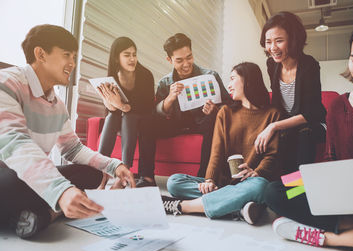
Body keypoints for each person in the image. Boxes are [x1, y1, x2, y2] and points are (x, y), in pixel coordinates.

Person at [264, 16, 353, 251]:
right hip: (346, 195)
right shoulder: (340, 106)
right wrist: (316, 181)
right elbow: (330, 159)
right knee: (275, 189)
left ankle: (328, 237)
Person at [0, 24, 135, 239]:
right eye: (66, 55)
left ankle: (39, 211)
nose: (72, 63)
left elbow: (72, 148)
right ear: (40, 54)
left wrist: (113, 165)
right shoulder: (6, 83)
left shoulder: (57, 105)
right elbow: (14, 143)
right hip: (6, 177)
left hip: (28, 179)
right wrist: (60, 190)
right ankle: (51, 211)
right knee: (13, 181)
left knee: (91, 174)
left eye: (74, 56)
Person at [162, 62, 281, 225]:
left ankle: (183, 206)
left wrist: (256, 172)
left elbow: (272, 155)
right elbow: (216, 152)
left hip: (251, 181)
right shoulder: (225, 112)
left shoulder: (272, 115)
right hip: (222, 182)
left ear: (247, 81)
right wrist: (209, 180)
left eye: (233, 79)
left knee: (261, 186)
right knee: (174, 182)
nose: (229, 85)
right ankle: (239, 207)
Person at [255, 11, 326, 174]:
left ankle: (298, 190)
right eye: (268, 42)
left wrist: (274, 126)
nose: (273, 48)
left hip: (313, 124)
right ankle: (281, 188)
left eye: (279, 41)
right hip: (288, 125)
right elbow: (276, 104)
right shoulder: (272, 65)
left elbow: (310, 114)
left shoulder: (309, 65)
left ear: (293, 40)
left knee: (302, 133)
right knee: (282, 136)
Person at [155, 33, 232, 177]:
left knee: (213, 120)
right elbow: (157, 114)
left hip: (202, 123)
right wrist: (169, 99)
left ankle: (203, 176)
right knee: (148, 124)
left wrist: (215, 109)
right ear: (169, 60)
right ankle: (145, 176)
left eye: (189, 57)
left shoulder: (210, 75)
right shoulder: (164, 83)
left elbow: (229, 105)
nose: (186, 64)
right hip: (176, 125)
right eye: (179, 60)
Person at [97, 37, 156, 187]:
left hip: (143, 119)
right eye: (127, 55)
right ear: (117, 58)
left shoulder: (146, 75)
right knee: (110, 118)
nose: (132, 59)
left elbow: (147, 106)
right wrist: (109, 102)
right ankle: (100, 174)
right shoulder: (112, 77)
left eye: (134, 54)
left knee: (129, 116)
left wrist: (123, 106)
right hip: (121, 120)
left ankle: (124, 174)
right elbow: (112, 111)